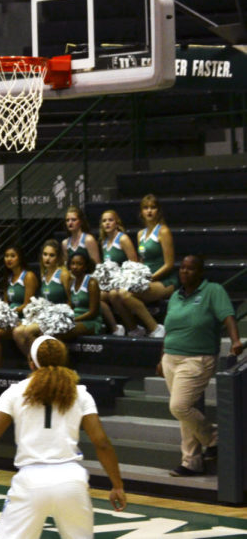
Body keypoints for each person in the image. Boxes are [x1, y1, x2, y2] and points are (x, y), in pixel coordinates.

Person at [0, 336, 126, 538]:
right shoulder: (81, 394)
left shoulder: (14, 393)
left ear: (31, 362)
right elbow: (102, 443)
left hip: (30, 480)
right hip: (72, 480)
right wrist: (117, 485)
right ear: (63, 360)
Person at [159, 255, 243, 476]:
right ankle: (191, 462)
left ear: (200, 272)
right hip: (171, 358)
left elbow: (228, 316)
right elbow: (169, 329)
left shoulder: (213, 291)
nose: (185, 272)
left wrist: (235, 341)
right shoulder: (176, 296)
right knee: (184, 413)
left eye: (190, 269)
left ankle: (214, 438)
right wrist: (162, 357)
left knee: (179, 406)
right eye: (182, 268)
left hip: (197, 358)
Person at [110, 194, 175, 338]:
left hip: (165, 281)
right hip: (147, 280)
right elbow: (142, 262)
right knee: (114, 294)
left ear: (158, 211)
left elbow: (169, 264)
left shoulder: (163, 231)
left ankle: (155, 328)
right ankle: (134, 329)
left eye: (153, 207)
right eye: (146, 208)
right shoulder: (140, 234)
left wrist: (150, 278)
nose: (149, 211)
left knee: (125, 294)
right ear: (141, 212)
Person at [0, 244, 38, 368]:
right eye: (6, 256)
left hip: (23, 319)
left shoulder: (28, 276)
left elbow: (28, 304)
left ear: (20, 258)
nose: (8, 259)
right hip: (10, 318)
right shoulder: (8, 278)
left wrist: (12, 311)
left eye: (12, 256)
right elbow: (5, 303)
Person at [12, 239, 70, 355]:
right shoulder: (44, 274)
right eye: (45, 254)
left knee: (28, 331)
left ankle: (43, 363)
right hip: (45, 315)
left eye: (51, 255)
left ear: (58, 257)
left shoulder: (63, 274)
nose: (47, 258)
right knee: (17, 332)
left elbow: (70, 300)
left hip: (59, 317)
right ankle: (35, 363)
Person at [98, 210, 137, 336]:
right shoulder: (103, 242)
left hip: (125, 281)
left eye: (110, 220)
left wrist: (121, 280)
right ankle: (115, 327)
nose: (107, 223)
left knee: (114, 294)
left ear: (116, 222)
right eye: (104, 221)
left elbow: (134, 264)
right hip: (112, 283)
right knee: (97, 296)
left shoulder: (123, 238)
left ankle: (133, 328)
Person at [56, 253, 103, 341]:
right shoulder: (71, 283)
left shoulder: (91, 283)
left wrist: (74, 319)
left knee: (60, 332)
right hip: (75, 319)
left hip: (91, 322)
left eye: (79, 264)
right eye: (72, 263)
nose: (75, 267)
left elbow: (93, 313)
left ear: (85, 267)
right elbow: (70, 305)